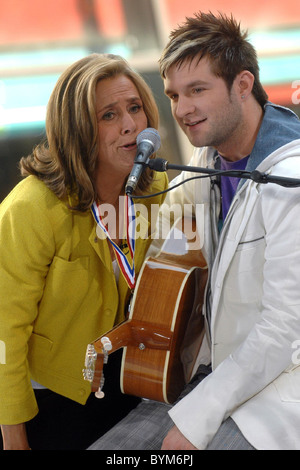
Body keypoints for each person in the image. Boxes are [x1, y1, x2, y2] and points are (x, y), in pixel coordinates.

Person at [88, 12, 300, 451]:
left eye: (198, 90)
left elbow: (282, 329)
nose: (182, 110)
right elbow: (168, 246)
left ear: (242, 85)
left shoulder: (289, 179)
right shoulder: (207, 160)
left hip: (279, 386)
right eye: (173, 95)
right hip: (212, 369)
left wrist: (198, 418)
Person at [0, 53, 168, 450]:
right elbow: (4, 335)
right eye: (108, 115)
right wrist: (14, 439)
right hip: (46, 398)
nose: (131, 126)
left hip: (126, 380)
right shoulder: (29, 209)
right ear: (76, 129)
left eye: (134, 108)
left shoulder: (154, 186)